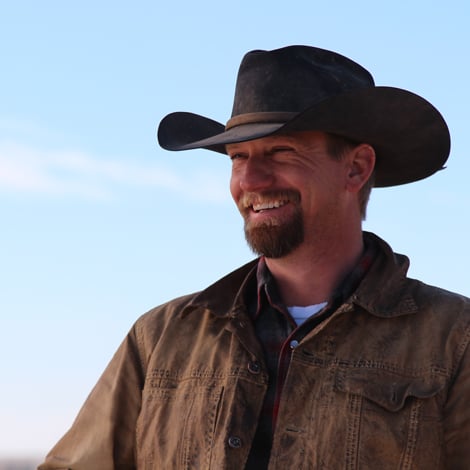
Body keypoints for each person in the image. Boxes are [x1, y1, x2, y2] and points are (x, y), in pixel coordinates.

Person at [39, 45, 470, 469]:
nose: (250, 179)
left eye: (281, 152)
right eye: (237, 157)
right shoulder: (160, 338)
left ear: (356, 168)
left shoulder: (455, 339)